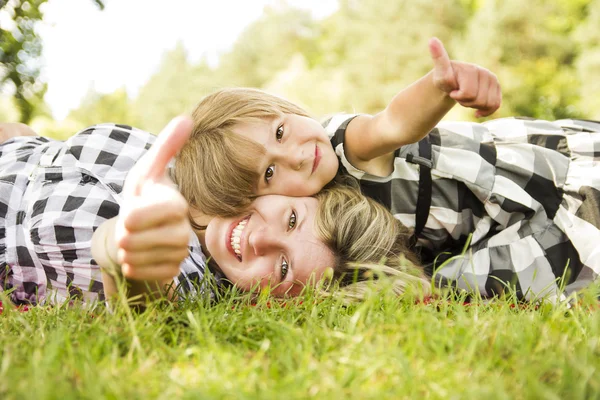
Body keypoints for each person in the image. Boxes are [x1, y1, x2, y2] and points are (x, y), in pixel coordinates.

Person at [0, 118, 428, 307]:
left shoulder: (188, 278)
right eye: (292, 220)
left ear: (273, 304)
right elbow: (39, 146)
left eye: (282, 267)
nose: (262, 239)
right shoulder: (200, 162)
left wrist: (123, 254)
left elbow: (142, 304)